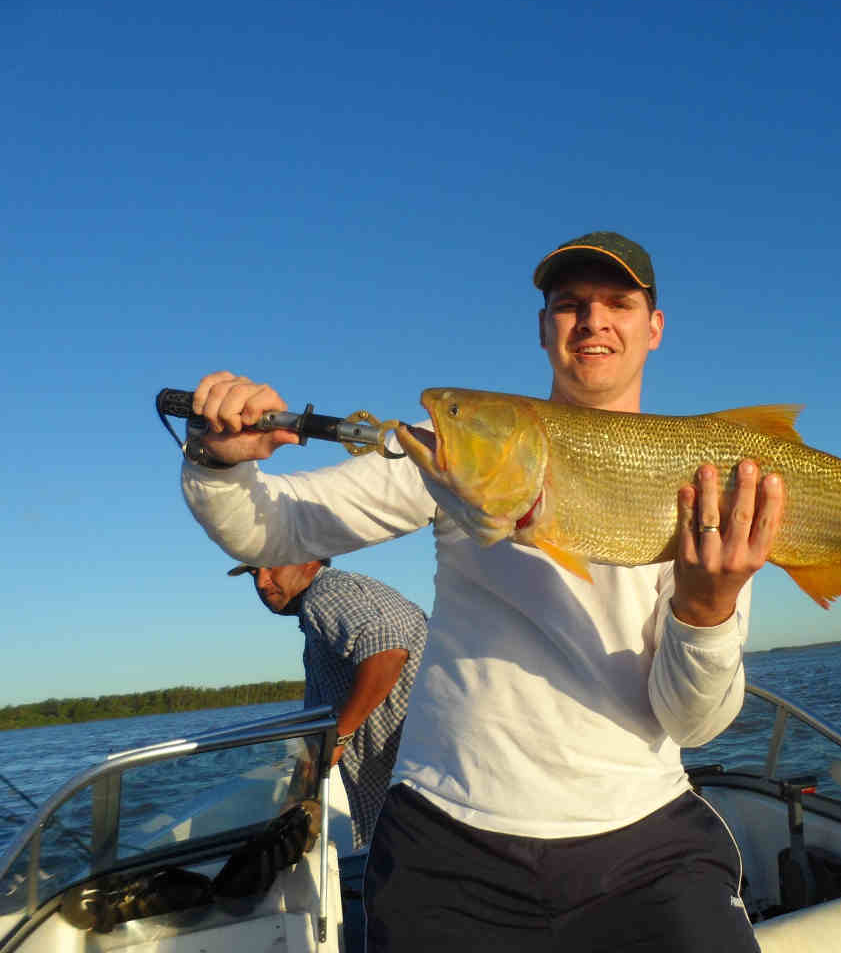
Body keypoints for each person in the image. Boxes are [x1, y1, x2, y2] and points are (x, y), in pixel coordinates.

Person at [179, 230, 785, 952]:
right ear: (542, 329)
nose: (593, 320)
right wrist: (217, 461)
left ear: (653, 328)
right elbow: (273, 531)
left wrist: (707, 609)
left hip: (645, 842)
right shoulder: (460, 453)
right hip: (448, 844)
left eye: (618, 303)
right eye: (568, 305)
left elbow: (692, 723)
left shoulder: (710, 488)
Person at [227, 558, 427, 851]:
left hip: (418, 794)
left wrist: (340, 736)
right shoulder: (343, 596)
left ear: (310, 559)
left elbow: (387, 651)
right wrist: (297, 800)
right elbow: (318, 727)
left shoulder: (325, 597)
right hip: (419, 789)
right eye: (255, 573)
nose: (261, 582)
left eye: (271, 567)